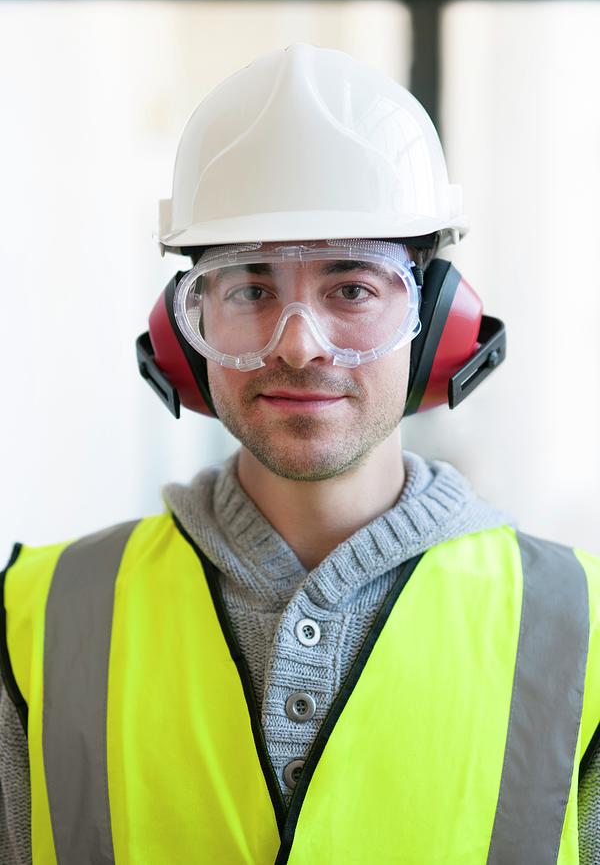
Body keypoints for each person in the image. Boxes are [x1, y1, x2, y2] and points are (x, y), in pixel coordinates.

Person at [1, 42, 598, 865]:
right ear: (184, 332)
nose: (301, 346)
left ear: (437, 323)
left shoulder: (581, 633)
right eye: (250, 289)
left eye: (352, 288)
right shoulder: (38, 617)